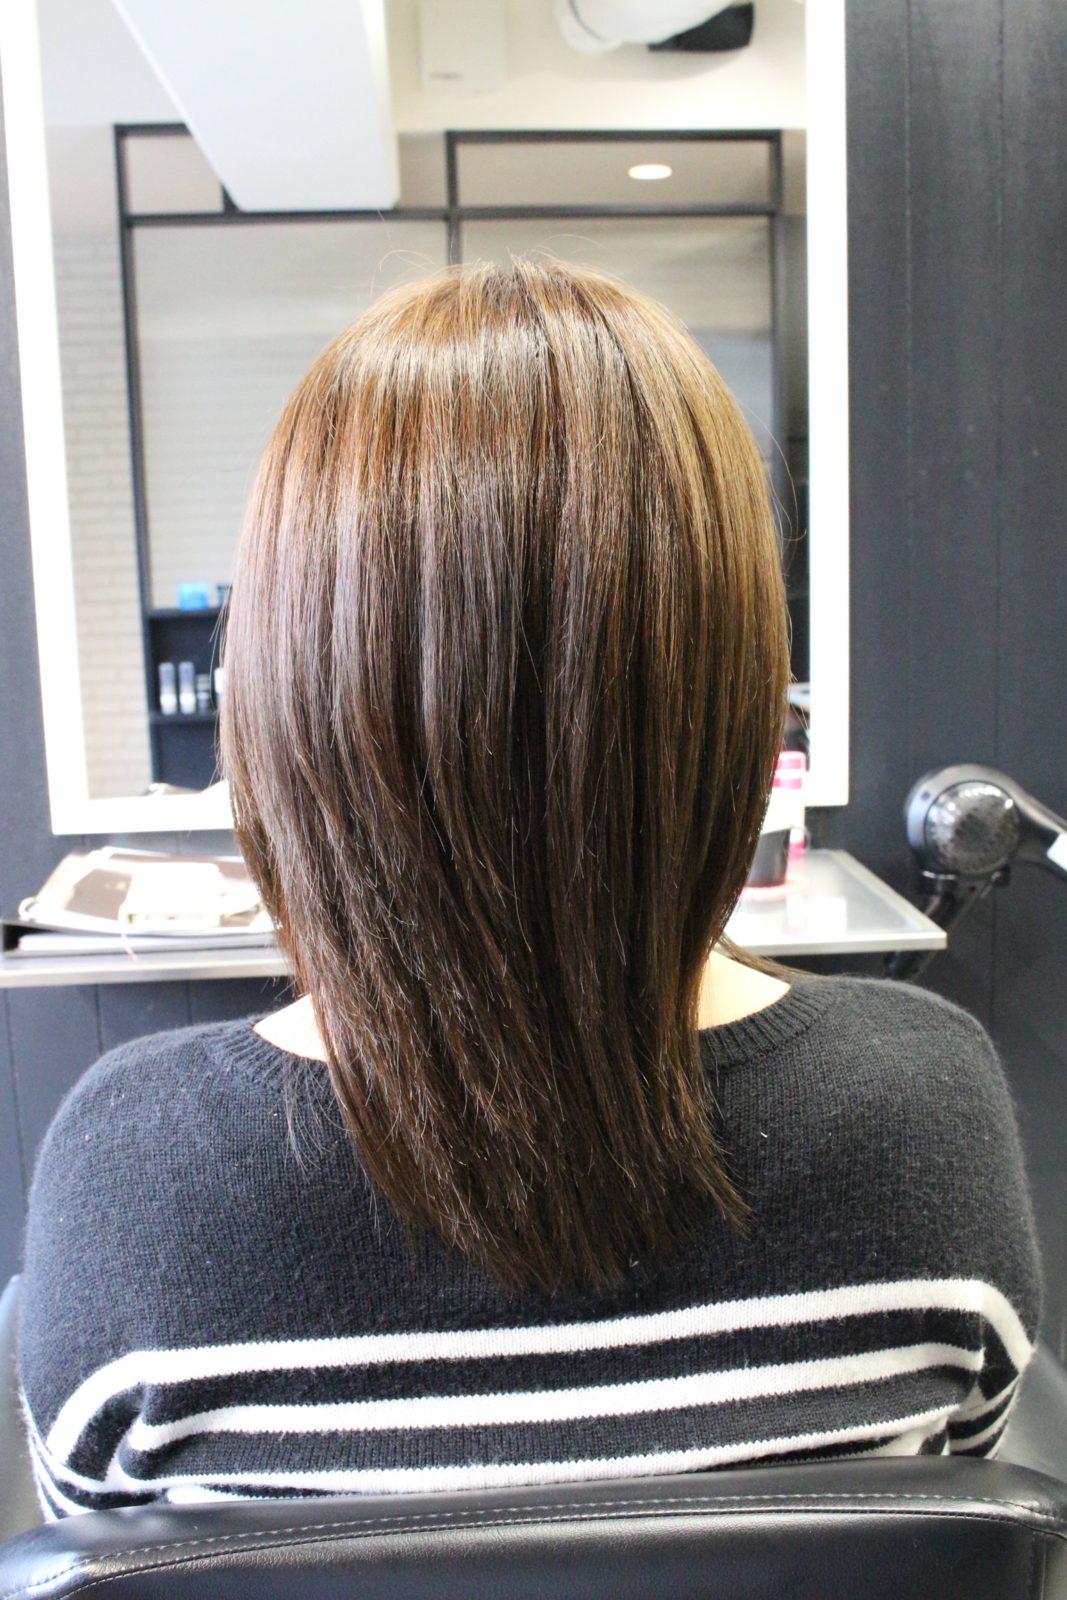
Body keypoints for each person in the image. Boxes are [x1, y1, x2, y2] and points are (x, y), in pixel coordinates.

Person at [18, 260, 1040, 1516]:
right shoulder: (925, 1124)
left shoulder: (135, 1183)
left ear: (290, 696)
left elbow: (95, 1553)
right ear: (727, 692)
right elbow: (952, 1505)